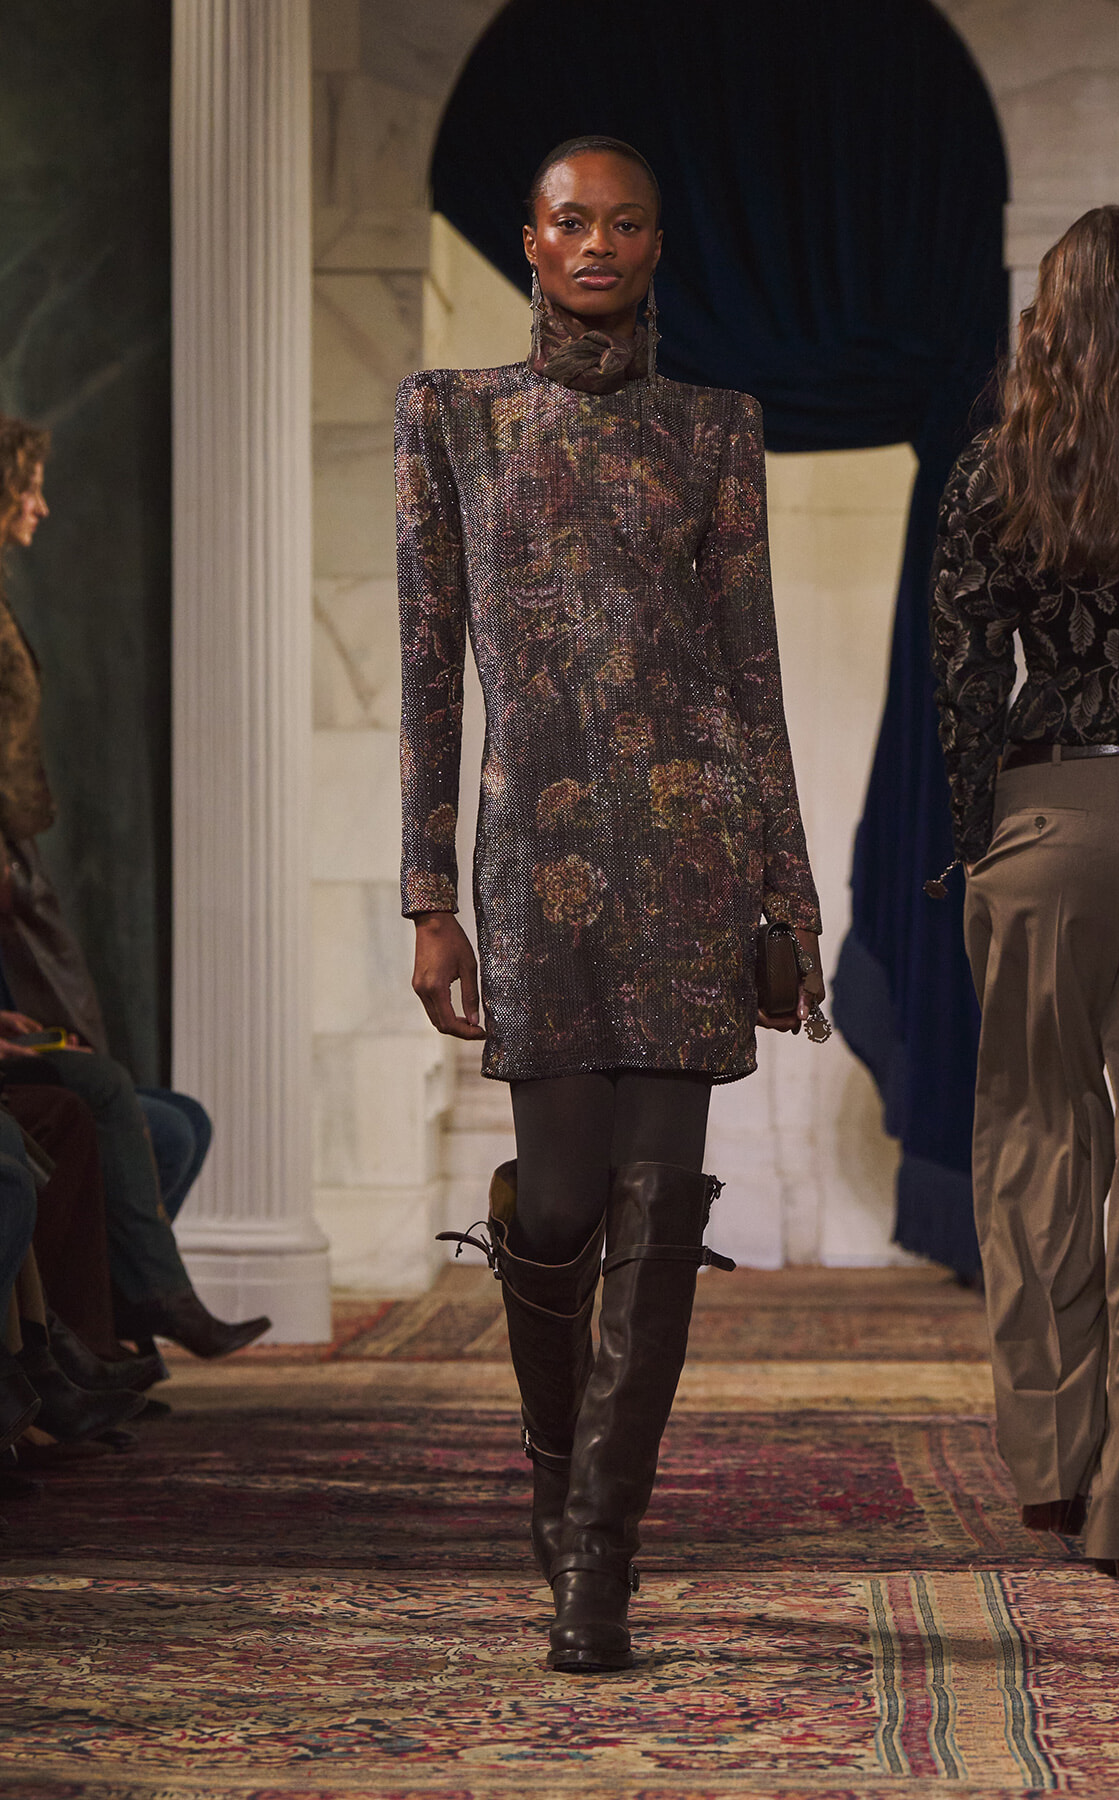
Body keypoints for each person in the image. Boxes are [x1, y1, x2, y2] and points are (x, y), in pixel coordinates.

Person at [398, 136, 822, 1670]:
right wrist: (426, 893)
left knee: (655, 1220)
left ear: (655, 246)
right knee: (565, 1209)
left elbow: (752, 672)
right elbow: (429, 665)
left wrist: (792, 896)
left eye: (626, 222)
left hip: (693, 857)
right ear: (529, 239)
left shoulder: (716, 428)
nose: (598, 243)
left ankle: (600, 1556)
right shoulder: (454, 418)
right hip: (537, 870)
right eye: (572, 220)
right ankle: (555, 1473)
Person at [930, 205, 1119, 1581]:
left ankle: (1052, 1463)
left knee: (1038, 1139)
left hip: (1045, 813)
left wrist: (979, 835)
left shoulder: (999, 467)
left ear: (1052, 316)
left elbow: (967, 679)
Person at [0, 415, 269, 1358]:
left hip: (17, 877)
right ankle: (116, 1334)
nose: (38, 504)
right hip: (10, 883)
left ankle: (110, 1335)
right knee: (97, 1096)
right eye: (23, 486)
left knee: (165, 1115)